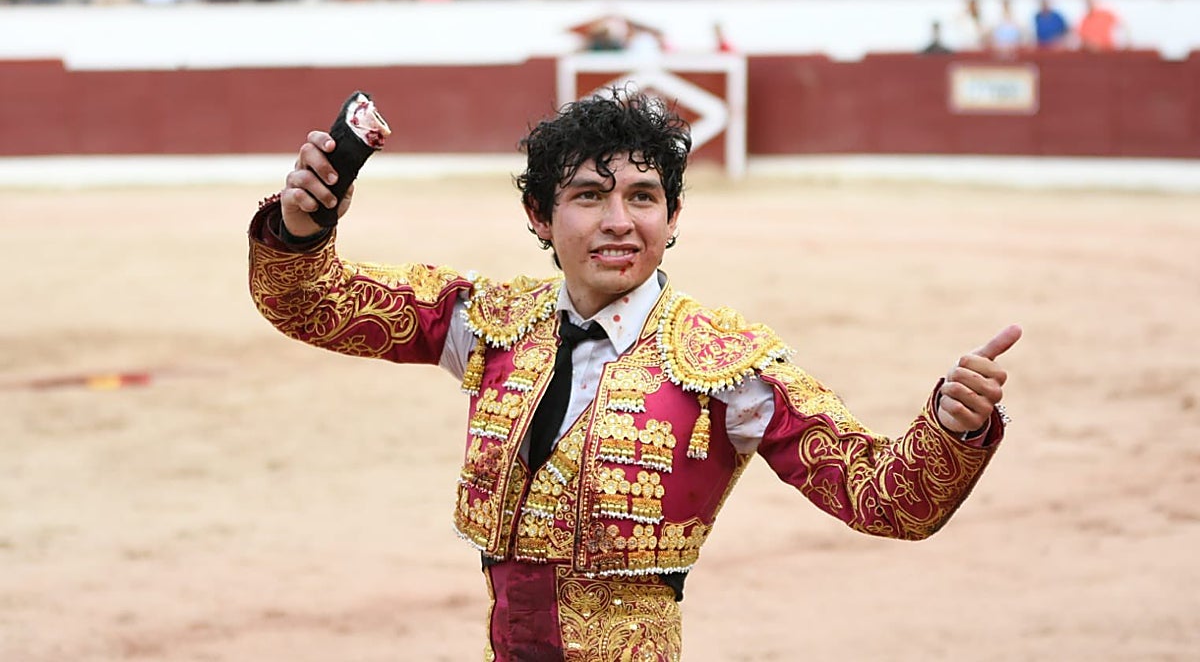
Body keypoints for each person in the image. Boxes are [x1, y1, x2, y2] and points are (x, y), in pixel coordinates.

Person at [248, 89, 1020, 661]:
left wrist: (953, 427)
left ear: (673, 218)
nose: (620, 220)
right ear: (539, 216)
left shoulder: (721, 362)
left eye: (643, 197)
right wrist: (303, 225)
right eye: (589, 196)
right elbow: (312, 303)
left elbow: (885, 499)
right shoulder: (488, 319)